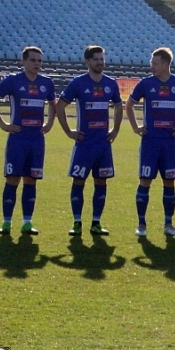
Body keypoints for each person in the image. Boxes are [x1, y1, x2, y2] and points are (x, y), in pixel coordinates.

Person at [0, 46, 56, 236]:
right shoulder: (13, 81)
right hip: (17, 139)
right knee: (12, 179)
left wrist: (49, 123)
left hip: (36, 140)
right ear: (23, 61)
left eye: (39, 61)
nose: (36, 64)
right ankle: (6, 222)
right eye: (32, 60)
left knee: (31, 180)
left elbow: (53, 104)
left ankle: (27, 222)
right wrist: (3, 124)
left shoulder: (47, 83)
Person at [125, 47, 175, 237]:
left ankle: (168, 224)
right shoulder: (146, 84)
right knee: (145, 181)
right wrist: (135, 127)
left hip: (170, 143)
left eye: (155, 63)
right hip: (150, 142)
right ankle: (141, 225)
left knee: (169, 182)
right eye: (151, 62)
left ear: (165, 64)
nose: (152, 66)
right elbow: (129, 105)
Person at [56, 45, 122, 237]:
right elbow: (60, 106)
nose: (100, 62)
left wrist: (115, 130)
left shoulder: (111, 83)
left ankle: (96, 223)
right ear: (88, 61)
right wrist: (69, 131)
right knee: (79, 181)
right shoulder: (78, 83)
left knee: (101, 181)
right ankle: (77, 222)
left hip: (103, 144)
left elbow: (119, 106)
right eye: (96, 59)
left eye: (102, 59)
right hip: (84, 144)